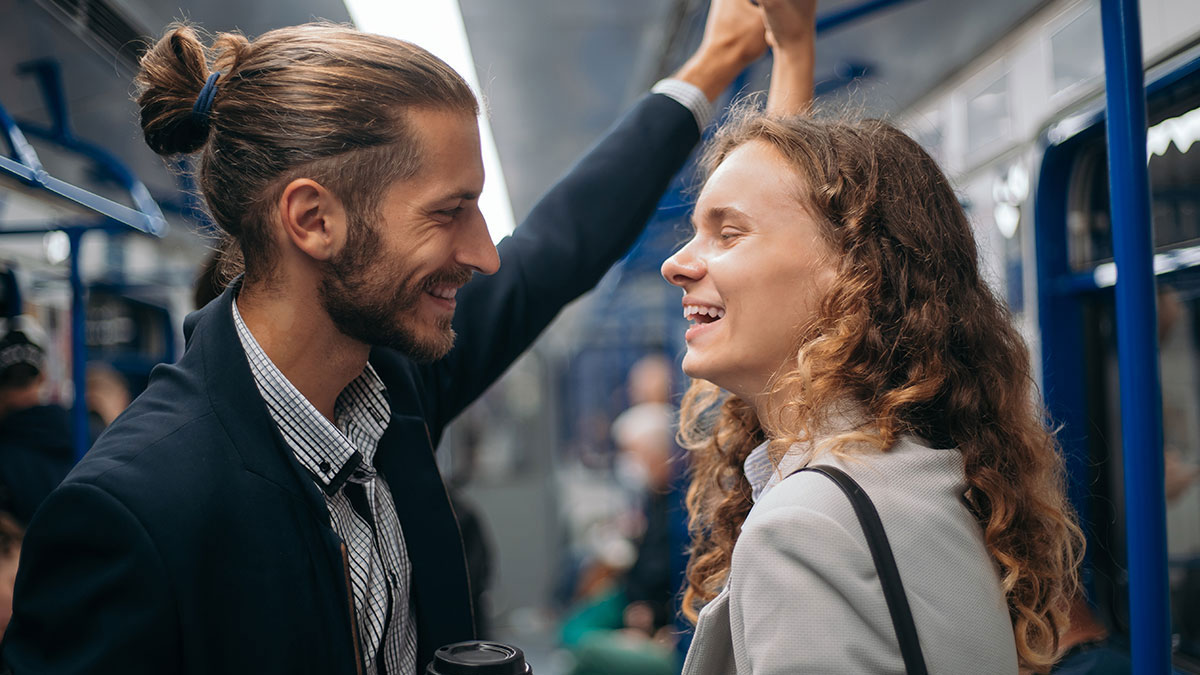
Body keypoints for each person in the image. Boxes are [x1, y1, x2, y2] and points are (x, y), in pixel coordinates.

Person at [1, 5, 768, 675]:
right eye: (448, 212)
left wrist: (717, 59)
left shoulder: (393, 386)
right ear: (312, 219)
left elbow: (558, 246)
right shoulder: (132, 511)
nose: (484, 253)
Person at [661, 1, 1084, 673]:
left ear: (852, 276)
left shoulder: (802, 526)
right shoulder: (936, 472)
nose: (676, 262)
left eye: (726, 232)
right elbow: (794, 207)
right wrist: (793, 55)